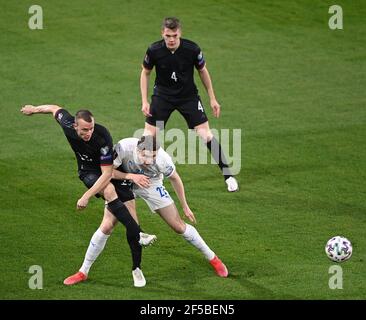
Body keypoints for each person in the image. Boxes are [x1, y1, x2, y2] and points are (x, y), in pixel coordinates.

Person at [20, 104, 156, 287]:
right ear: (75, 126)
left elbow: (107, 174)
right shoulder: (68, 124)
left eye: (91, 128)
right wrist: (35, 109)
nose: (89, 133)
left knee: (111, 224)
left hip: (110, 172)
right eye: (84, 129)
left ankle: (136, 268)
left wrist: (86, 196)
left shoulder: (103, 136)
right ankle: (86, 270)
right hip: (88, 173)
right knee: (109, 192)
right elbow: (55, 109)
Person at [64, 135, 229, 284]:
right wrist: (131, 176)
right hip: (124, 182)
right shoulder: (124, 147)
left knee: (178, 226)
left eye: (153, 156)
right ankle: (83, 271)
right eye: (145, 156)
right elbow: (107, 173)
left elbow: (175, 179)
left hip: (151, 183)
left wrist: (185, 206)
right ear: (138, 149)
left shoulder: (163, 160)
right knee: (107, 226)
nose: (149, 161)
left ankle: (213, 258)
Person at [140, 17, 239, 192]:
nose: (171, 39)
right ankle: (151, 176)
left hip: (188, 97)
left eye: (174, 36)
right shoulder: (154, 50)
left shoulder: (192, 49)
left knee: (205, 135)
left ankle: (228, 175)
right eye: (168, 35)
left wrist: (212, 98)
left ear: (180, 34)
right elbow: (145, 72)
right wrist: (144, 100)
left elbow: (203, 71)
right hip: (162, 96)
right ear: (162, 33)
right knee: (149, 135)